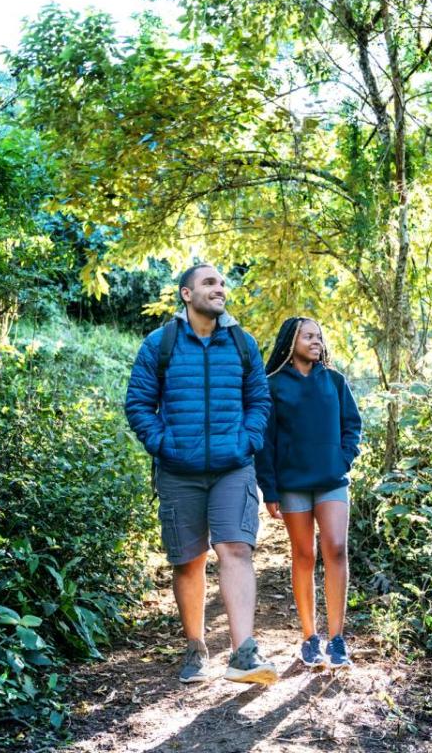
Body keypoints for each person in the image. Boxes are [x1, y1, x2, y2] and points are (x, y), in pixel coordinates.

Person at [124, 263, 279, 685]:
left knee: (236, 549)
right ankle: (195, 646)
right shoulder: (161, 344)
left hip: (233, 467)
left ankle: (243, 652)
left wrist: (246, 441)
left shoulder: (243, 344)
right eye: (210, 282)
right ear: (186, 294)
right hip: (179, 471)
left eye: (222, 283)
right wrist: (164, 444)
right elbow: (138, 404)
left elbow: (259, 400)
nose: (220, 289)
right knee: (188, 561)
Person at [255, 317, 362, 669]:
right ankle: (309, 639)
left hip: (331, 480)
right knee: (304, 555)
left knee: (335, 549)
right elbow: (265, 442)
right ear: (291, 340)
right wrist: (269, 488)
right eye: (308, 336)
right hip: (292, 484)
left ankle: (337, 640)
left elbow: (352, 426)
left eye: (319, 336)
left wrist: (342, 459)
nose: (316, 341)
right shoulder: (272, 385)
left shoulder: (334, 380)